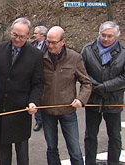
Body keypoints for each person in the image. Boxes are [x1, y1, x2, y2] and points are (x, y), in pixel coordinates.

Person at [0, 17, 44, 165]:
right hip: (1, 108)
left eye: (21, 36)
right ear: (10, 31)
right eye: (14, 35)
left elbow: (38, 84)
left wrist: (33, 101)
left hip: (21, 110)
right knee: (3, 153)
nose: (17, 39)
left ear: (28, 36)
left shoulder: (35, 55)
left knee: (22, 153)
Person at [40, 26, 91, 165]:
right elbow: (34, 83)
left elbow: (86, 83)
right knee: (51, 148)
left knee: (74, 149)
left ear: (63, 42)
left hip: (68, 111)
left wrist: (81, 99)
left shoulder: (74, 58)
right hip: (47, 111)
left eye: (53, 42)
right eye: (48, 42)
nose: (50, 45)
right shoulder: (40, 57)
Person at [81, 21, 124, 165]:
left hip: (114, 100)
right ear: (99, 33)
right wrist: (95, 86)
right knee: (90, 136)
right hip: (93, 99)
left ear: (117, 37)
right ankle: (90, 162)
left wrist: (105, 86)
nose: (105, 39)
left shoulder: (123, 52)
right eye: (103, 35)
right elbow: (82, 72)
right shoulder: (87, 50)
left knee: (115, 136)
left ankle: (114, 162)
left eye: (109, 36)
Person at [31, 25, 48, 132]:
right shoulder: (32, 45)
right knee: (36, 99)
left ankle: (47, 121)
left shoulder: (49, 45)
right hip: (34, 76)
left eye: (36, 33)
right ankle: (39, 121)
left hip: (46, 76)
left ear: (42, 35)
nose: (34, 35)